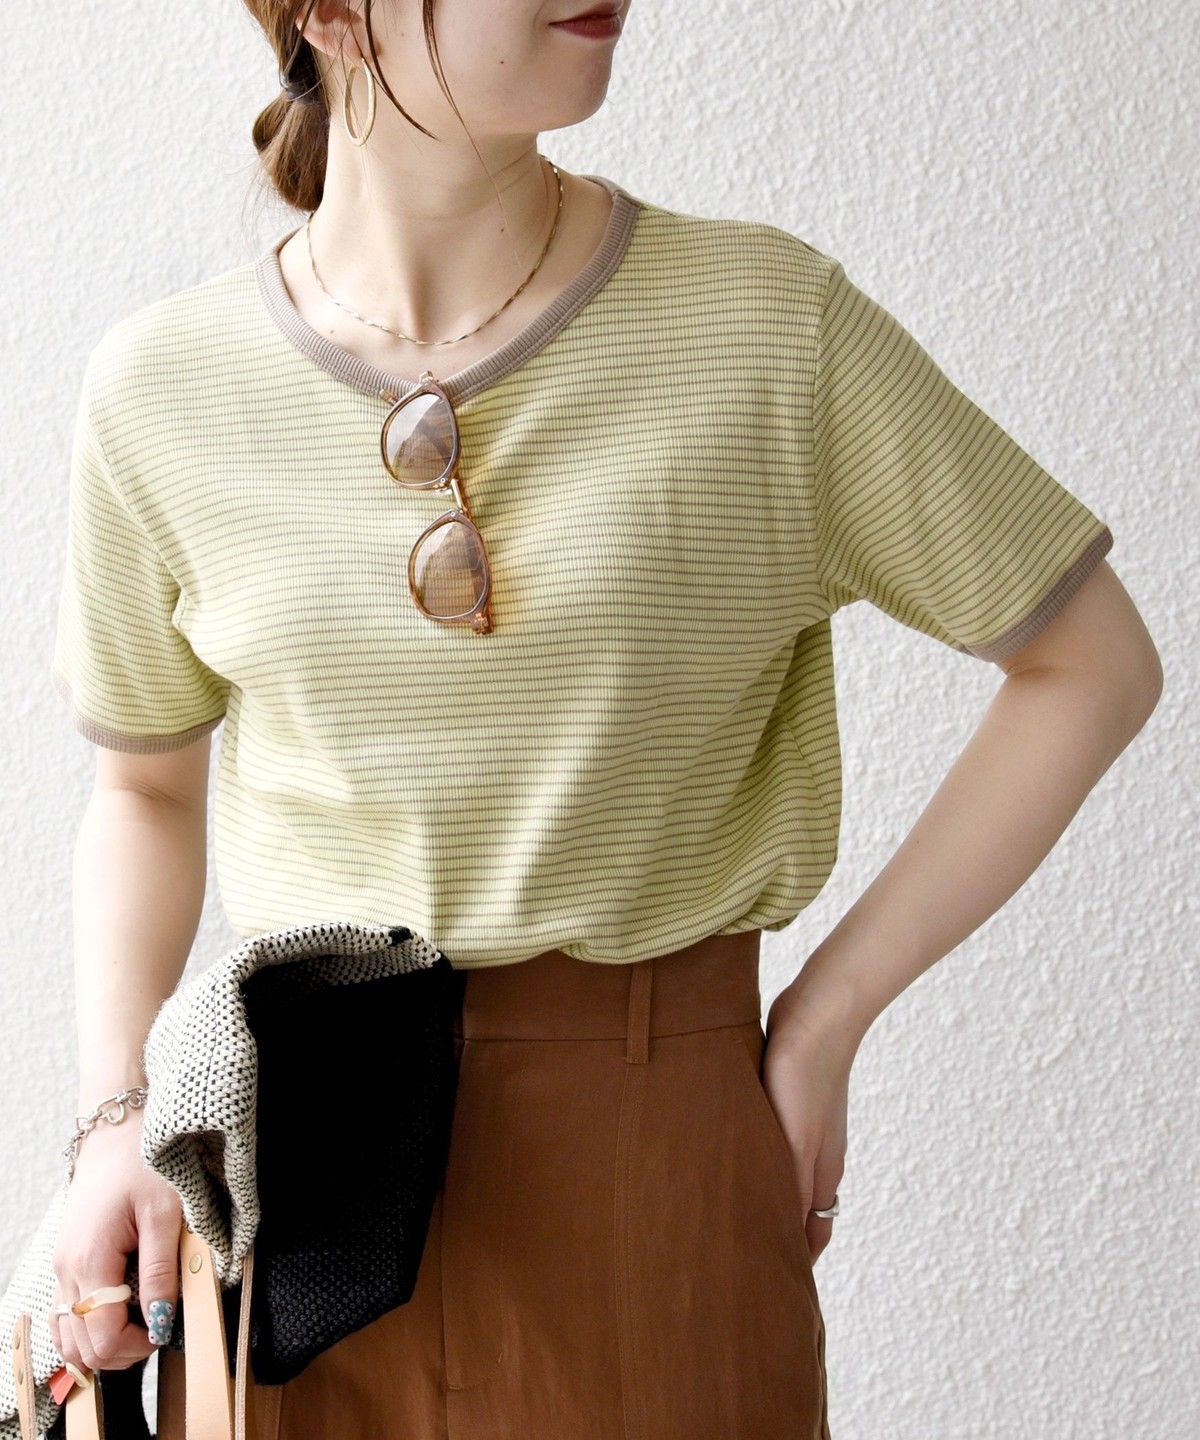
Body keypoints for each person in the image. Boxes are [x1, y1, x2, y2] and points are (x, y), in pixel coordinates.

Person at [44, 2, 1162, 1437]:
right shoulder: (163, 392)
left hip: (655, 1157)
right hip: (294, 1206)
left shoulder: (768, 329)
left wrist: (825, 1018)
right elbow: (144, 790)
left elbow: (1090, 665)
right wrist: (114, 1118)